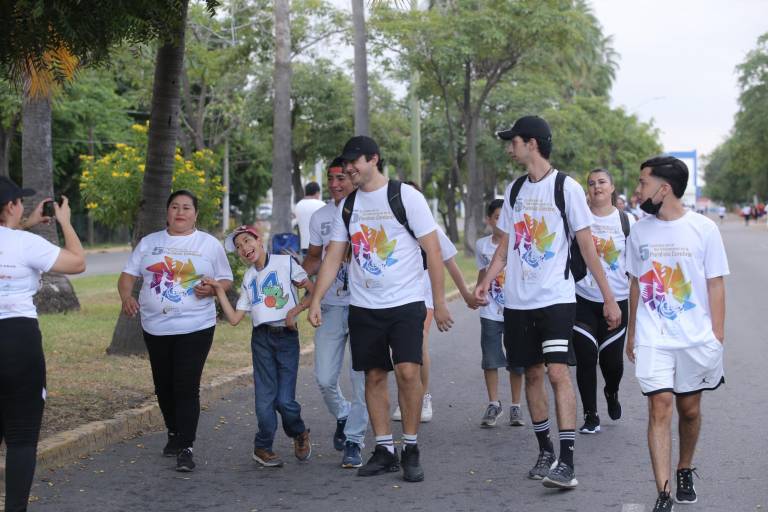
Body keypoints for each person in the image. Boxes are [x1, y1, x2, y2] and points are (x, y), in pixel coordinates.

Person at [475, 115, 621, 490]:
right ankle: (545, 450)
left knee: (558, 372)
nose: (511, 147)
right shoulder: (514, 190)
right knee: (533, 374)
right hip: (517, 302)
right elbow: (505, 245)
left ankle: (567, 461)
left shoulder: (567, 188)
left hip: (556, 297)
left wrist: (609, 298)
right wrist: (485, 282)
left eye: (515, 141)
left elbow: (587, 245)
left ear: (533, 143)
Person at [309, 135, 453, 483]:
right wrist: (316, 299)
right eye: (345, 165)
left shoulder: (406, 197)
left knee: (407, 372)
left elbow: (433, 251)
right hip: (364, 305)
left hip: (405, 303)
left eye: (353, 163)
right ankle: (385, 449)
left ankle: (411, 447)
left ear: (373, 159)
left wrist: (441, 301)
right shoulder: (349, 205)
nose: (348, 170)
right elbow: (333, 256)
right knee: (373, 376)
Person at [625, 156, 729, 511]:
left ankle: (684, 467)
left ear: (663, 188)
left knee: (689, 410)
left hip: (694, 338)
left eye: (643, 183)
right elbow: (637, 284)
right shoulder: (638, 230)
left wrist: (717, 335)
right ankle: (664, 493)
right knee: (660, 406)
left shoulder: (704, 229)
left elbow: (715, 284)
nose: (638, 191)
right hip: (654, 337)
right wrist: (632, 333)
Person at [118, 190, 233, 472]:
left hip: (196, 325)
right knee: (164, 385)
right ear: (167, 212)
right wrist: (126, 297)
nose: (180, 212)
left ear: (196, 214)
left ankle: (186, 446)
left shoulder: (209, 244)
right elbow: (127, 277)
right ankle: (173, 431)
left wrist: (213, 289)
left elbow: (226, 279)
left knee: (186, 385)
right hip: (155, 326)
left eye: (186, 208)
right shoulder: (149, 243)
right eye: (175, 207)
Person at [0, 177, 85, 512]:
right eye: (19, 201)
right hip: (17, 340)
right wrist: (64, 223)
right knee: (21, 437)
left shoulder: (21, 237)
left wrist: (25, 224)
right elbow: (77, 262)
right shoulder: (24, 245)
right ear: (10, 206)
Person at [204, 224, 313, 467]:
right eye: (239, 247)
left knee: (284, 401)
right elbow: (234, 319)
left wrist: (295, 311)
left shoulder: (285, 263)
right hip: (261, 340)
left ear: (259, 239)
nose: (244, 248)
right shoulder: (249, 277)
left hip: (286, 338)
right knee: (264, 400)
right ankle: (262, 446)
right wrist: (218, 290)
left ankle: (299, 432)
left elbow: (312, 290)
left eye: (246, 241)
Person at [391, 181, 477, 424]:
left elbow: (451, 264)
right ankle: (406, 398)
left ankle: (423, 395)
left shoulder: (432, 230)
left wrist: (466, 295)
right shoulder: (392, 226)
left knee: (418, 345)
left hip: (424, 296)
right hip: (397, 296)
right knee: (400, 352)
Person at [302, 158, 369, 468]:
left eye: (340, 177)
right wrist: (297, 279)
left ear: (353, 177)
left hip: (364, 307)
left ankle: (354, 441)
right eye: (330, 178)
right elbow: (314, 258)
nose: (334, 184)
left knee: (361, 380)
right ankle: (344, 415)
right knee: (325, 377)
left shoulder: (368, 209)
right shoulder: (321, 217)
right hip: (329, 305)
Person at [572, 169, 634, 435]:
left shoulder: (626, 221)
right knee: (586, 359)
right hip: (583, 299)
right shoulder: (578, 219)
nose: (596, 187)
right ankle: (590, 415)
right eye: (591, 183)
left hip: (617, 302)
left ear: (612, 187)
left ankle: (611, 390)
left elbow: (635, 266)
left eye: (602, 182)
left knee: (612, 365)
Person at [475, 199, 525, 428]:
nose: (501, 222)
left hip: (515, 310)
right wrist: (477, 294)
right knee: (490, 359)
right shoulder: (482, 245)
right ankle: (493, 403)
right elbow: (482, 273)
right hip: (490, 312)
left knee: (517, 360)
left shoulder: (518, 243)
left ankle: (516, 405)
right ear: (489, 220)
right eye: (496, 217)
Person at [295, 181, 326, 255]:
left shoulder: (298, 205)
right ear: (317, 192)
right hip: (319, 245)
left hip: (304, 245)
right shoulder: (322, 205)